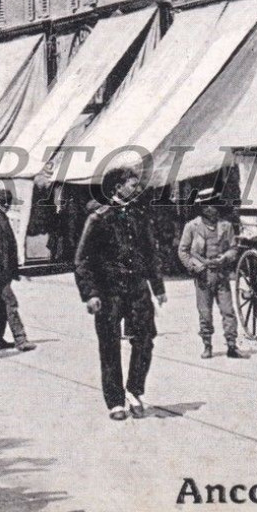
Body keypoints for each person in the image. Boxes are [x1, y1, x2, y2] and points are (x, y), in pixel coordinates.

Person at [75, 163, 167, 421]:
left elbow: (151, 254)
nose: (136, 188)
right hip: (108, 291)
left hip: (138, 289)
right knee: (109, 343)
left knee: (145, 339)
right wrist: (90, 293)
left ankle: (135, 390)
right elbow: (82, 260)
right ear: (118, 187)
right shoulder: (99, 218)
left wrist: (157, 288)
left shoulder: (140, 216)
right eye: (132, 184)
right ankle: (115, 401)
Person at [177, 191, 244, 359]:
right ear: (202, 208)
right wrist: (193, 266)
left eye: (214, 204)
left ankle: (231, 345)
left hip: (221, 275)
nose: (211, 208)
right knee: (205, 313)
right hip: (203, 276)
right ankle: (207, 345)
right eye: (207, 205)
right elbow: (183, 251)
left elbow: (234, 248)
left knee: (228, 311)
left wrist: (226, 257)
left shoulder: (226, 226)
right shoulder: (192, 227)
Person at [0, 188, 36, 352]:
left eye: (8, 202)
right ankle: (21, 339)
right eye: (6, 202)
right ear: (0, 202)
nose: (8, 205)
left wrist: (14, 270)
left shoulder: (2, 218)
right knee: (11, 302)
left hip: (4, 270)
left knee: (1, 304)